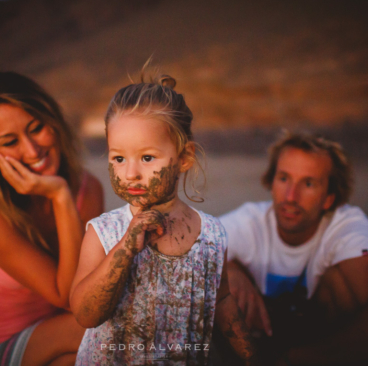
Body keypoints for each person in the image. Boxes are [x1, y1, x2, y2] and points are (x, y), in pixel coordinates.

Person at [69, 73, 260, 365]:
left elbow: (221, 302)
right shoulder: (105, 232)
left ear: (184, 158)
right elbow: (85, 314)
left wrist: (252, 357)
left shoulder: (211, 233)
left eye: (147, 158)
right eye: (118, 158)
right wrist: (124, 250)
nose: (130, 173)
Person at [0, 71, 104, 366]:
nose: (32, 150)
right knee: (98, 331)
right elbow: (68, 297)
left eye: (36, 128)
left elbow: (89, 287)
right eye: (10, 142)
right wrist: (60, 196)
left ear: (54, 122)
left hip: (60, 341)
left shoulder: (88, 189)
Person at [220, 131, 368, 365]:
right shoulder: (251, 220)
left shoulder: (347, 226)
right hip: (255, 344)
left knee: (342, 283)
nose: (290, 196)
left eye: (308, 183)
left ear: (329, 198)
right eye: (284, 178)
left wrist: (290, 361)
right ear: (271, 181)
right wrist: (227, 270)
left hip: (321, 347)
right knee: (215, 272)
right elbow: (178, 252)